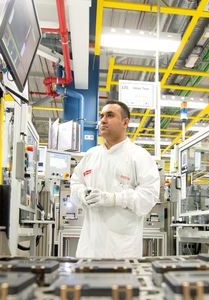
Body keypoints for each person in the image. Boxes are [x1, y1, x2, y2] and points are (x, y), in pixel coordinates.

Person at [69, 99, 160, 258]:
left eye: (110, 115)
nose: (103, 120)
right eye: (102, 116)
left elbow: (148, 197)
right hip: (88, 248)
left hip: (120, 251)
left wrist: (113, 199)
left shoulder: (139, 157)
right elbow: (75, 183)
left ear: (125, 122)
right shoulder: (91, 155)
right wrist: (82, 194)